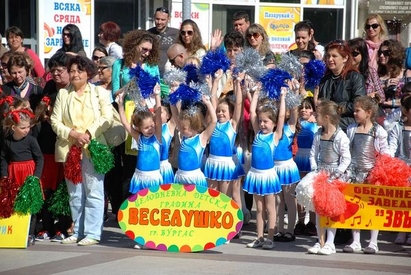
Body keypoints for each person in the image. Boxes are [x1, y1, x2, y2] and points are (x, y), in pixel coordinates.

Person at [51, 55, 113, 246]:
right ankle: (77, 231)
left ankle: (92, 233)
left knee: (94, 191)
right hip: (70, 149)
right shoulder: (63, 94)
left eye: (79, 70)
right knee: (75, 193)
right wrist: (73, 134)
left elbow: (107, 118)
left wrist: (88, 133)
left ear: (88, 73)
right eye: (72, 70)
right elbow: (55, 121)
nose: (75, 74)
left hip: (92, 148)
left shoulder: (99, 93)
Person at [343, 95, 389, 254]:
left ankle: (373, 242)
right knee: (354, 207)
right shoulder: (351, 129)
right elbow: (347, 150)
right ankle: (355, 241)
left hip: (371, 175)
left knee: (372, 208)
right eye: (354, 111)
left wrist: (378, 173)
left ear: (368, 113)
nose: (354, 113)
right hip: (354, 174)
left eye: (358, 111)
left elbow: (385, 154)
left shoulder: (379, 131)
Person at [244, 88, 286, 250]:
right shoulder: (257, 133)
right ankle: (259, 237)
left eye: (266, 121)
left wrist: (282, 97)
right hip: (255, 174)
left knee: (270, 208)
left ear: (274, 123)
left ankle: (270, 237)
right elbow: (253, 112)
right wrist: (255, 94)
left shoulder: (274, 136)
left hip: (268, 175)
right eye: (261, 121)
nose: (262, 124)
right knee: (259, 208)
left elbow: (281, 116)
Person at [307, 99, 351, 255]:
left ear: (326, 117)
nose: (315, 117)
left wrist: (336, 174)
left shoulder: (341, 136)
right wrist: (315, 170)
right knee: (319, 209)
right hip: (321, 176)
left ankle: (330, 243)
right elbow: (313, 153)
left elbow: (346, 159)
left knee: (332, 210)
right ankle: (320, 241)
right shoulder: (318, 133)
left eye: (317, 115)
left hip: (334, 179)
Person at [1, 108, 44, 245]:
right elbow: (3, 158)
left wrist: (36, 176)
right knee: (15, 202)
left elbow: (39, 158)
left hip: (29, 174)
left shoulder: (31, 140)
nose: (27, 130)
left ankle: (30, 233)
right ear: (14, 127)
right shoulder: (7, 141)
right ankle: (15, 232)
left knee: (31, 204)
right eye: (23, 127)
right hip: (14, 174)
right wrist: (5, 176)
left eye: (28, 127)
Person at [117, 85, 163, 194]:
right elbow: (124, 122)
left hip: (154, 177)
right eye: (146, 128)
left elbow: (158, 116)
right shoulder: (139, 138)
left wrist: (157, 96)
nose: (150, 129)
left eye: (152, 125)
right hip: (139, 176)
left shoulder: (157, 136)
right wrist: (120, 104)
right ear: (138, 128)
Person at [205, 70, 243, 196]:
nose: (220, 113)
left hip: (226, 164)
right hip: (212, 162)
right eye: (219, 111)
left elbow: (238, 104)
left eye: (224, 111)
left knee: (225, 199)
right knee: (212, 198)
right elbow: (213, 98)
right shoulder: (214, 124)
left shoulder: (232, 125)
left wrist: (237, 83)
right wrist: (215, 80)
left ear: (231, 114)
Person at [315, 40, 366, 132]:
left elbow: (359, 104)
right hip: (327, 127)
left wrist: (334, 108)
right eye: (328, 56)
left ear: (345, 58)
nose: (330, 59)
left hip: (348, 126)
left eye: (334, 56)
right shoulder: (324, 79)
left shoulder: (355, 77)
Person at [171, 95, 217, 187]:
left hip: (194, 177)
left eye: (184, 128)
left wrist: (208, 103)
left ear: (193, 126)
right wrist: (172, 98)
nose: (181, 129)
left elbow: (214, 121)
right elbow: (175, 115)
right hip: (180, 176)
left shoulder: (201, 138)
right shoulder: (184, 135)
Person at [274, 89, 300, 243]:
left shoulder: (290, 126)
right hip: (274, 168)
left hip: (288, 168)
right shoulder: (273, 129)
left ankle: (290, 230)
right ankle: (279, 230)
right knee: (278, 201)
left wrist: (295, 91)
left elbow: (294, 111)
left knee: (290, 200)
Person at [387, 94, 411, 245]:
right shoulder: (399, 127)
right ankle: (402, 229)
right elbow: (392, 147)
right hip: (402, 168)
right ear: (407, 111)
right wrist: (388, 160)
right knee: (402, 201)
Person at [294, 97, 318, 236]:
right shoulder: (297, 123)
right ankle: (300, 221)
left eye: (308, 107)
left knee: (312, 191)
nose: (304, 110)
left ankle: (312, 222)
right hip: (299, 158)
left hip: (312, 158)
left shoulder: (317, 124)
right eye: (302, 107)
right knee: (300, 190)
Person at [148, 7, 179, 76]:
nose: (159, 22)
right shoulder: (148, 33)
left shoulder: (176, 33)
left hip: (170, 75)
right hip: (151, 73)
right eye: (157, 19)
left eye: (163, 20)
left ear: (168, 19)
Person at [377, 39, 406, 105]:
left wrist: (392, 103)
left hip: (400, 112)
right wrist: (384, 86)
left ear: (394, 54)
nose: (381, 56)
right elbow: (370, 97)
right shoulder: (377, 75)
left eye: (386, 53)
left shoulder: (407, 74)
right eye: (380, 53)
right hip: (380, 112)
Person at [159, 98, 176, 184]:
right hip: (150, 170)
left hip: (164, 168)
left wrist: (173, 96)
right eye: (155, 111)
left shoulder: (168, 127)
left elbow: (176, 114)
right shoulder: (150, 129)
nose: (157, 114)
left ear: (168, 116)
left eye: (160, 112)